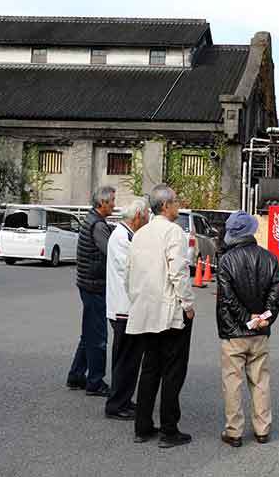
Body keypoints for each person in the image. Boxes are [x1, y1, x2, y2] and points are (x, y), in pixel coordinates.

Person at [126, 184, 196, 448]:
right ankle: (169, 429)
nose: (178, 206)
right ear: (165, 205)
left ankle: (142, 426)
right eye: (176, 202)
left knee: (150, 369)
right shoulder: (173, 231)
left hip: (145, 309)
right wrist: (187, 303)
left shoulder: (140, 233)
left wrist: (136, 300)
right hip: (169, 310)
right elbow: (178, 270)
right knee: (173, 371)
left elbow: (128, 273)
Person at [216, 211, 279, 447]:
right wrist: (266, 317)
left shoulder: (226, 260)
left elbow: (227, 298)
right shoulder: (269, 258)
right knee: (260, 380)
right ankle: (262, 429)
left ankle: (234, 431)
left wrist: (246, 318)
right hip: (260, 332)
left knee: (232, 383)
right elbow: (275, 294)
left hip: (233, 331)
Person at [67, 185, 116, 396]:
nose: (114, 204)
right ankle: (95, 381)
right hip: (94, 284)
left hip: (87, 282)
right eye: (112, 200)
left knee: (89, 332)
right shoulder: (98, 226)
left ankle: (76, 375)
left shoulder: (93, 220)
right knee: (98, 336)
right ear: (102, 203)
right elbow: (111, 252)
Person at [105, 197, 149, 420]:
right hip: (124, 309)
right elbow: (131, 272)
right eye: (147, 214)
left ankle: (123, 399)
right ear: (138, 216)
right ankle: (116, 404)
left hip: (126, 308)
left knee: (130, 360)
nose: (149, 218)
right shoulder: (122, 237)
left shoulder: (127, 235)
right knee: (126, 359)